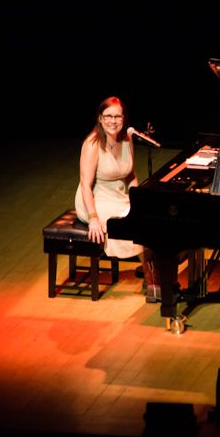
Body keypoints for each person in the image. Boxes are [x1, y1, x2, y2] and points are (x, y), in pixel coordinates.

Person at [74, 96, 158, 301]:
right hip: (95, 198)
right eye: (108, 116)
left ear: (124, 118)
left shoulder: (127, 138)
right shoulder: (92, 143)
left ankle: (154, 268)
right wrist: (93, 217)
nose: (113, 121)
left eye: (117, 116)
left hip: (119, 195)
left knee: (147, 216)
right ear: (100, 119)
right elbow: (85, 184)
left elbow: (130, 174)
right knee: (131, 222)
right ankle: (151, 279)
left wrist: (139, 199)